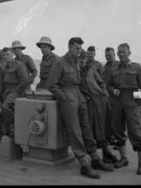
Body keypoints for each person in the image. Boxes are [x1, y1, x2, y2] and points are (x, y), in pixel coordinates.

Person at [47, 37, 112, 179]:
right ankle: (84, 164)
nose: (79, 51)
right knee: (75, 132)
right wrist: (64, 99)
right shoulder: (60, 63)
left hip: (80, 98)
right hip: (68, 99)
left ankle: (95, 159)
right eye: (77, 48)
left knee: (87, 130)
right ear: (69, 47)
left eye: (80, 48)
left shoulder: (76, 62)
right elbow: (52, 85)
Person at [106, 43, 141, 175]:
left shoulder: (137, 68)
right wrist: (112, 90)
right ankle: (123, 158)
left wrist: (138, 102)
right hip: (117, 104)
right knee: (118, 130)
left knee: (135, 131)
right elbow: (107, 84)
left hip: (132, 105)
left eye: (123, 52)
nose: (121, 54)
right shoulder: (113, 69)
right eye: (119, 52)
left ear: (129, 53)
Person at [78, 49, 118, 164]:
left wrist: (105, 93)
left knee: (102, 128)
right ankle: (98, 156)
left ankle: (106, 153)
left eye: (85, 58)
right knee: (91, 130)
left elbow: (101, 82)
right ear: (77, 59)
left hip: (100, 101)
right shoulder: (74, 71)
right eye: (81, 58)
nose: (83, 60)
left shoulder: (92, 69)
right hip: (88, 104)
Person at [1, 47, 29, 138]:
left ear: (12, 55)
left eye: (7, 54)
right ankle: (9, 130)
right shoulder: (5, 67)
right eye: (4, 55)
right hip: (7, 92)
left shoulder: (18, 65)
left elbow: (24, 82)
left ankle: (13, 127)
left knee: (5, 107)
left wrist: (14, 92)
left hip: (17, 91)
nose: (5, 57)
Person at [103, 47, 119, 147]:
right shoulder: (105, 67)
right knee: (108, 118)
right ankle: (110, 137)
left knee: (118, 119)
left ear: (114, 55)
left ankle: (119, 140)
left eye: (110, 55)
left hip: (116, 95)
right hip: (107, 95)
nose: (108, 57)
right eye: (106, 55)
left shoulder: (118, 66)